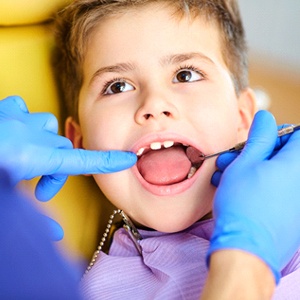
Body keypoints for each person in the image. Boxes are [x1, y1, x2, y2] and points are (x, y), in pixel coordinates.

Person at [49, 0, 300, 299]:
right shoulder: (99, 291)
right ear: (80, 144)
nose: (154, 104)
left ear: (243, 117)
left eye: (185, 75)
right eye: (117, 86)